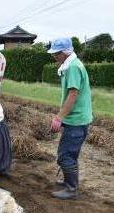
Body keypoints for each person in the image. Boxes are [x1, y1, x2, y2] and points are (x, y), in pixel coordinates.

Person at [48, 38, 93, 200]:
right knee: (69, 154)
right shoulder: (72, 65)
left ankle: (71, 189)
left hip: (77, 120)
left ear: (64, 52)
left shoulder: (73, 67)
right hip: (77, 119)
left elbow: (73, 94)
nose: (54, 57)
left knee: (65, 156)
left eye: (56, 54)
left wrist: (59, 118)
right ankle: (69, 182)